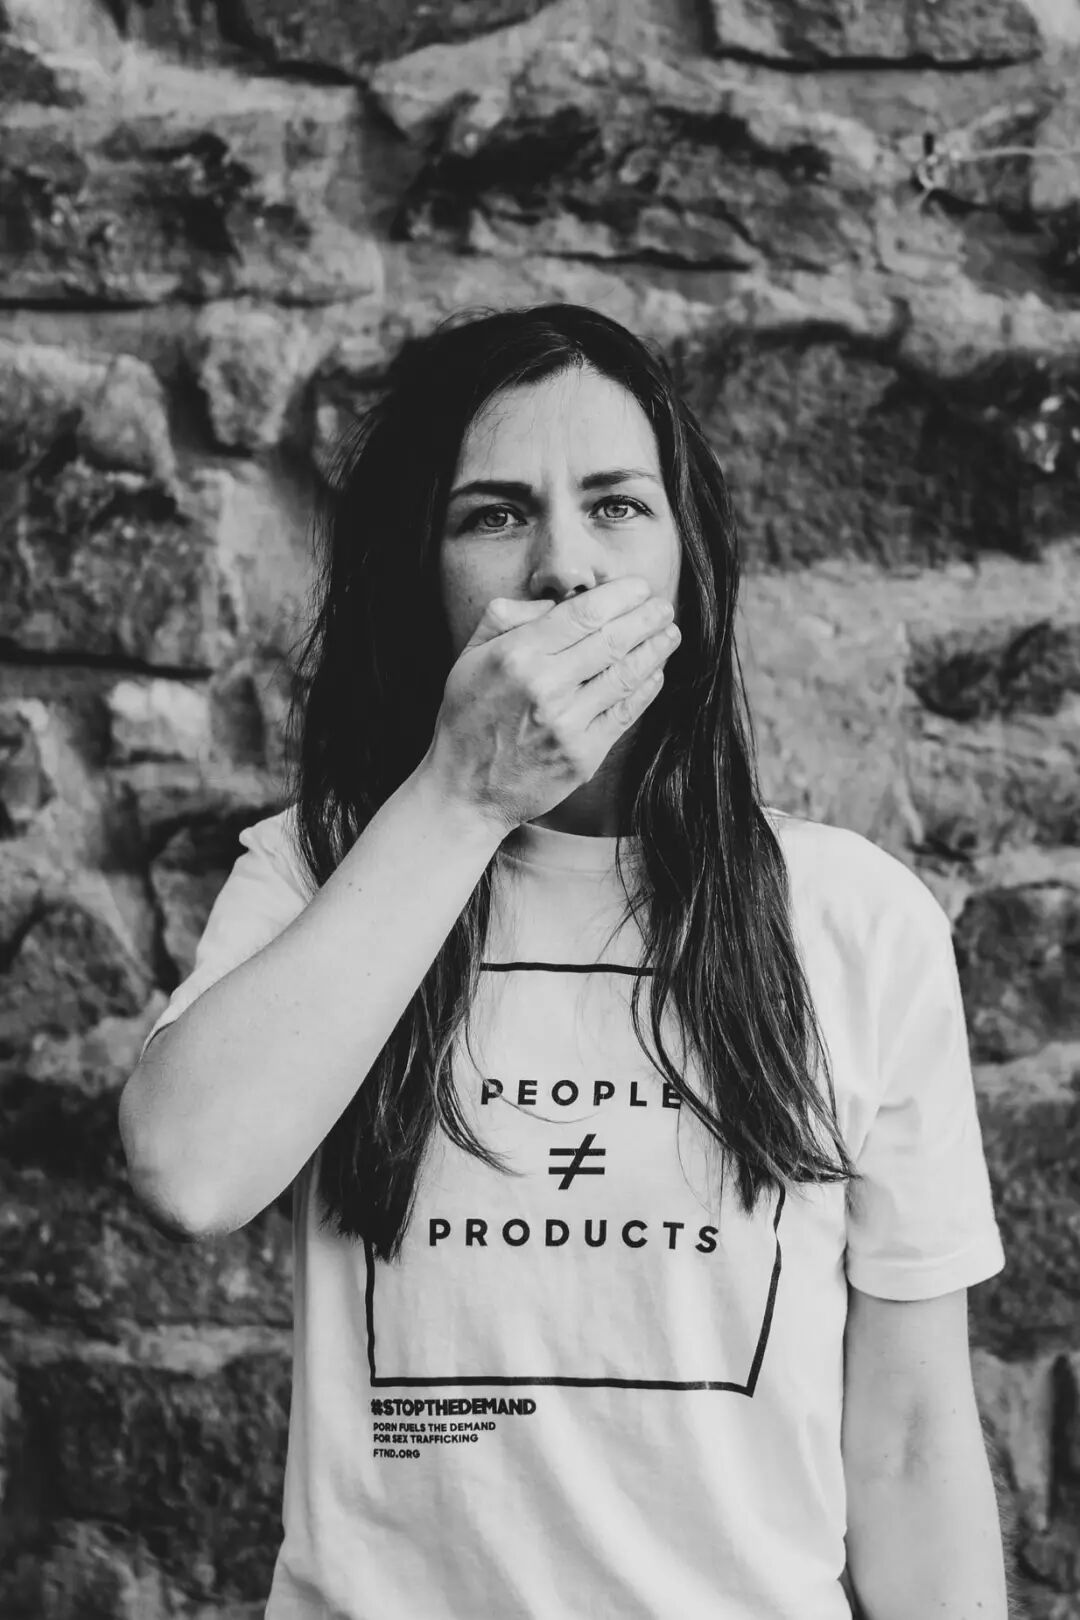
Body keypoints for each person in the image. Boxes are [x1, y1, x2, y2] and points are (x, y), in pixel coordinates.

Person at [119, 304, 1009, 1620]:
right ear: (422, 575)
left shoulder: (855, 917)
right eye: (494, 515)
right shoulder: (322, 875)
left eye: (616, 506)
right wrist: (463, 797)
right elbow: (188, 1172)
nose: (563, 568)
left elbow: (913, 1440)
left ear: (688, 564)